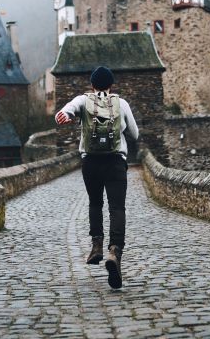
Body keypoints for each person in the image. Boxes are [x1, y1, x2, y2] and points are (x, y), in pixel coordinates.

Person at [55, 66, 139, 289]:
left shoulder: (83, 101)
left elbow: (68, 110)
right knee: (117, 208)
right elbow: (135, 134)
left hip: (91, 162)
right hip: (115, 162)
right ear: (111, 85)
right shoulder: (121, 103)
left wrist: (64, 115)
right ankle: (114, 252)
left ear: (92, 85)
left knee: (95, 203)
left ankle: (96, 245)